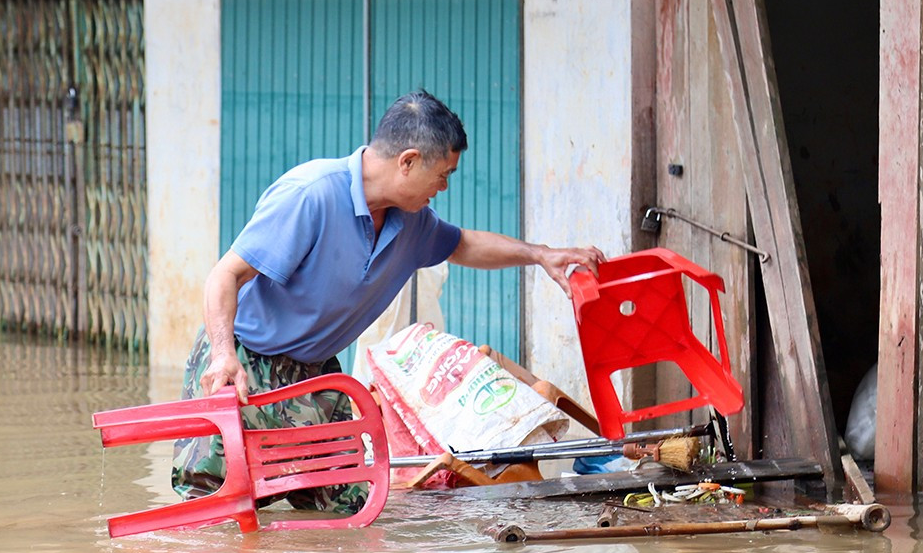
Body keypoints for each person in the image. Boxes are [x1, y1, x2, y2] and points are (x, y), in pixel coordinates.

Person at [172, 89, 606, 512]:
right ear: (408, 162)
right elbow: (224, 274)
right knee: (219, 505)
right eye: (443, 175)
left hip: (314, 378)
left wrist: (540, 255)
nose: (443, 187)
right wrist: (223, 356)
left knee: (351, 505)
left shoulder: (412, 223)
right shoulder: (312, 195)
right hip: (242, 365)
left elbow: (464, 245)